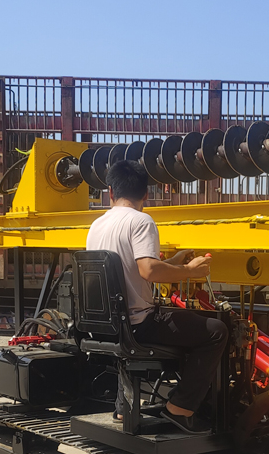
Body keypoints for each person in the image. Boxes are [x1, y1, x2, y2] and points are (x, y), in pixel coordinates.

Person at [85, 159, 228, 434]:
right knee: (216, 331)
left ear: (111, 192)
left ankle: (123, 408)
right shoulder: (141, 221)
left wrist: (173, 262)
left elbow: (128, 271)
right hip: (139, 325)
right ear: (146, 194)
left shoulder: (97, 225)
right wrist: (189, 271)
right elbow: (148, 270)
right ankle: (180, 409)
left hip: (107, 326)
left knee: (135, 322)